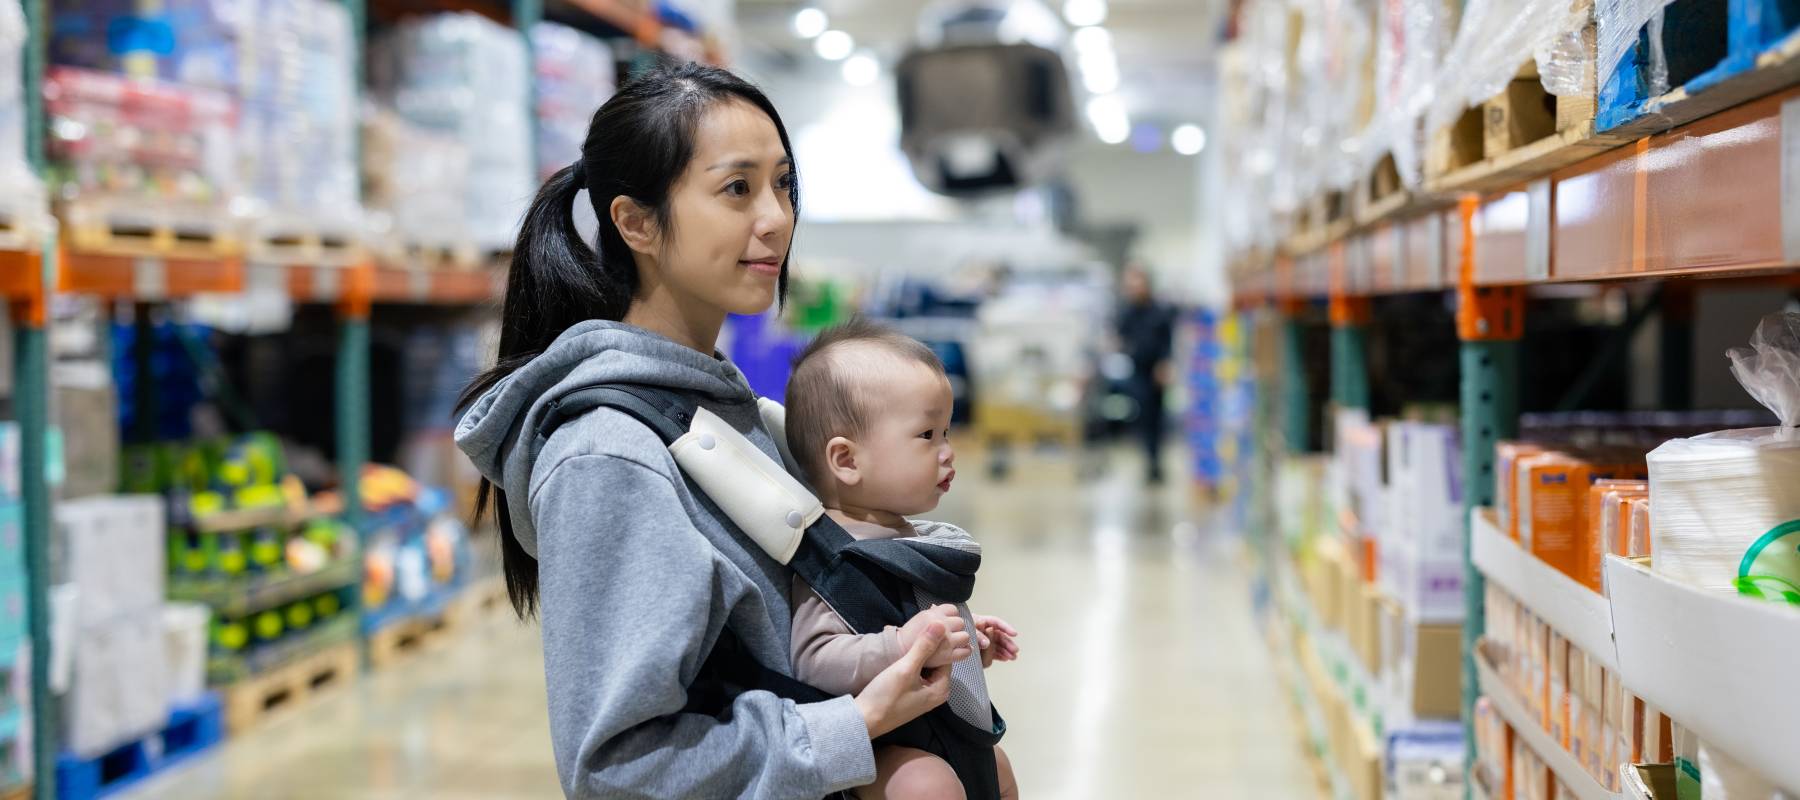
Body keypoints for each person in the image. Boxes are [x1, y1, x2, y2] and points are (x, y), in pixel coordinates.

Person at [454, 62, 957, 799]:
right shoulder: (612, 455)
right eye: (737, 188)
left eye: (783, 184)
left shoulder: (728, 415)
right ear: (637, 223)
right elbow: (618, 769)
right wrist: (852, 726)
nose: (777, 216)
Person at [783, 319, 1022, 800]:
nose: (948, 453)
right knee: (925, 786)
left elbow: (914, 618)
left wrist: (964, 644)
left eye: (947, 432)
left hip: (942, 730)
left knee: (996, 767)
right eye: (927, 435)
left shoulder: (903, 537)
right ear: (847, 460)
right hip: (884, 742)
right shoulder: (835, 558)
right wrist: (900, 646)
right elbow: (813, 659)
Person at [1115, 264, 1176, 484]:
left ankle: (1156, 461)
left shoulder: (1160, 311)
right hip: (1137, 371)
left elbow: (1168, 341)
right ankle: (1148, 460)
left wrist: (1166, 364)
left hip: (1156, 372)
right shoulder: (1127, 312)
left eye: (1138, 282)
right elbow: (1119, 336)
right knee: (1142, 416)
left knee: (1157, 418)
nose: (1134, 288)